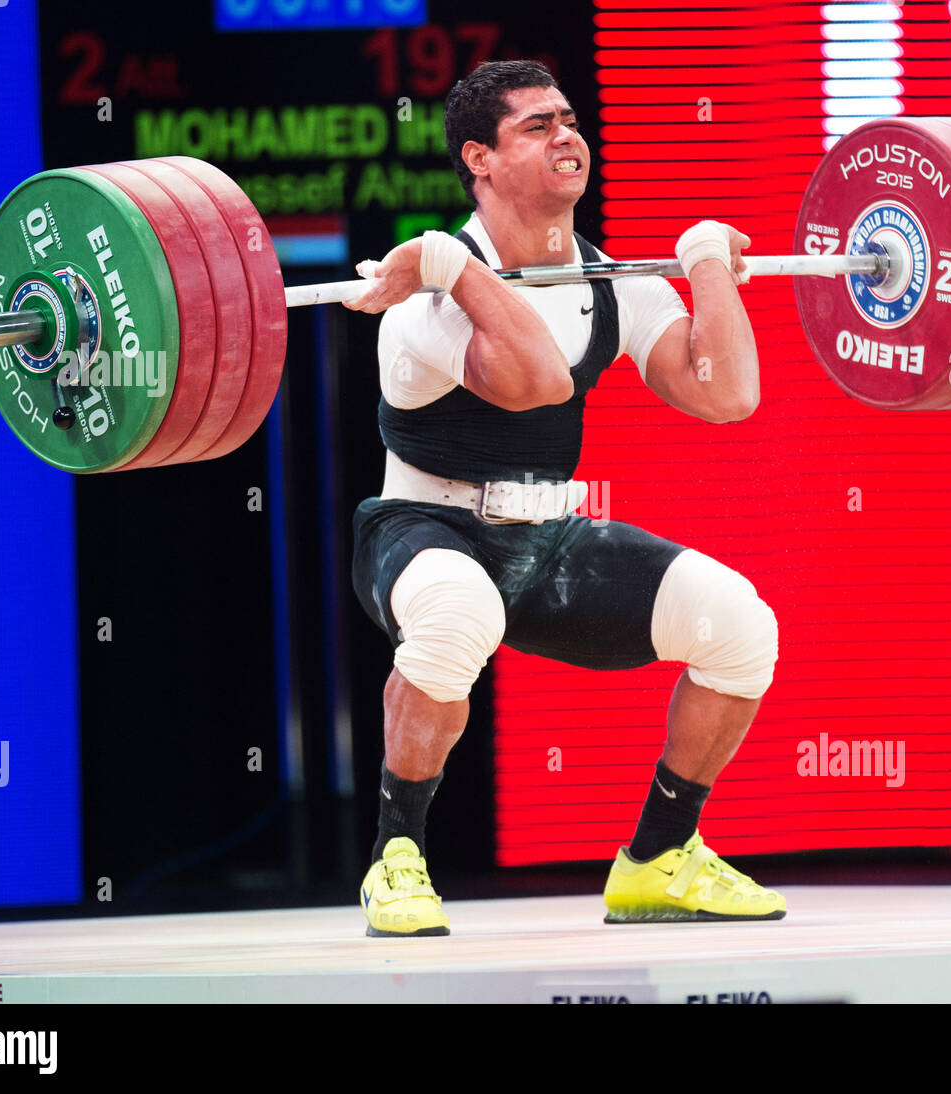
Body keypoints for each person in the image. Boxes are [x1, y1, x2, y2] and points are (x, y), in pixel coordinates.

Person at [344, 59, 785, 936]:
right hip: (423, 527)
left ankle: (659, 858)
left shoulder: (614, 284)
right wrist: (446, 265)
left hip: (548, 538)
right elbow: (538, 383)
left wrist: (707, 269)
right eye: (537, 126)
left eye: (570, 121)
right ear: (480, 157)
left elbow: (727, 396)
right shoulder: (423, 305)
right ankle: (398, 859)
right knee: (460, 611)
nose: (568, 137)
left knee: (742, 625)